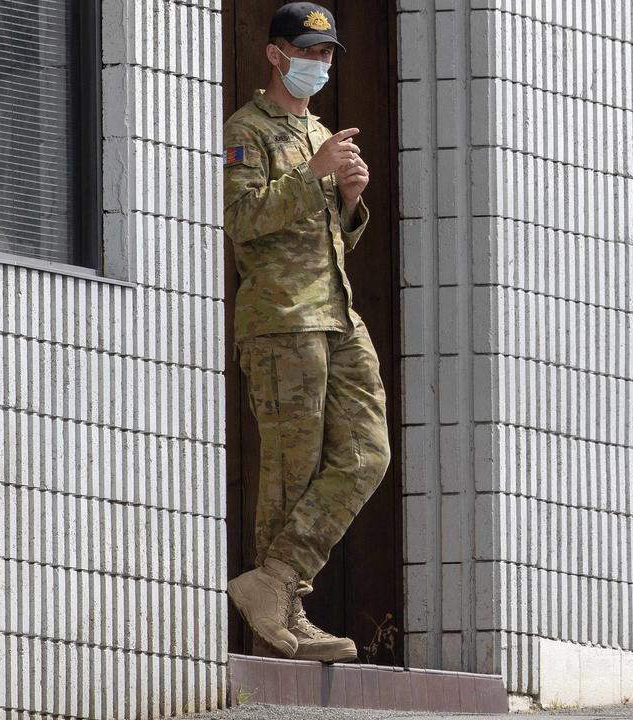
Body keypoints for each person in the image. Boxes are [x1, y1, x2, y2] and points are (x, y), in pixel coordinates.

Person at [222, 2, 390, 664]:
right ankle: (284, 609)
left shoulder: (317, 131)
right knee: (291, 469)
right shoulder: (247, 131)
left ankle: (274, 580)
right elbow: (241, 218)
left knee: (367, 452)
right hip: (281, 321)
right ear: (275, 54)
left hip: (336, 315)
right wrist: (314, 175)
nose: (318, 64)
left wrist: (350, 202)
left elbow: (327, 241)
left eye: (326, 55)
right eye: (308, 52)